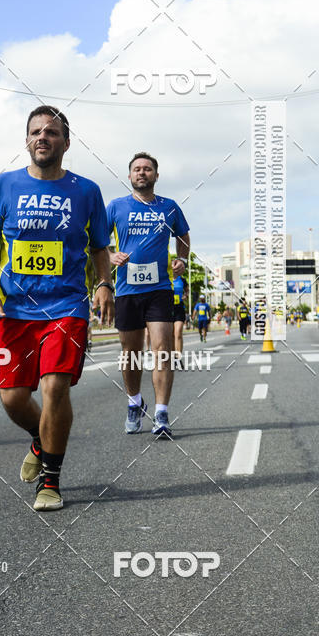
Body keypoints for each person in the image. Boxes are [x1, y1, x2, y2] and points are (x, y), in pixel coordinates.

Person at [0, 105, 114, 512]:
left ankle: (50, 480)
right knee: (13, 398)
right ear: (27, 140)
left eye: (51, 133)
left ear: (66, 143)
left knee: (54, 386)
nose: (42, 138)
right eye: (35, 132)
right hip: (16, 311)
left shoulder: (86, 191)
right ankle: (41, 437)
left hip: (67, 306)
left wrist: (103, 283)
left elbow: (99, 246)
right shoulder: (3, 186)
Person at [106, 152, 190, 439]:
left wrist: (183, 259)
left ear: (156, 175)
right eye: (137, 169)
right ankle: (134, 402)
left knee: (162, 349)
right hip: (127, 290)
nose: (142, 173)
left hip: (159, 290)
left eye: (148, 169)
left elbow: (183, 237)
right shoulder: (116, 206)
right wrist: (111, 254)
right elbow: (98, 242)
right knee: (130, 354)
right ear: (129, 176)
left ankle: (161, 413)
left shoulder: (169, 207)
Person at [173, 273, 187, 362]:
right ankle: (172, 355)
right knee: (170, 335)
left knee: (178, 333)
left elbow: (187, 291)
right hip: (167, 308)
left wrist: (186, 296)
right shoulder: (166, 277)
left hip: (179, 308)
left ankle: (178, 357)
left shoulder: (182, 280)